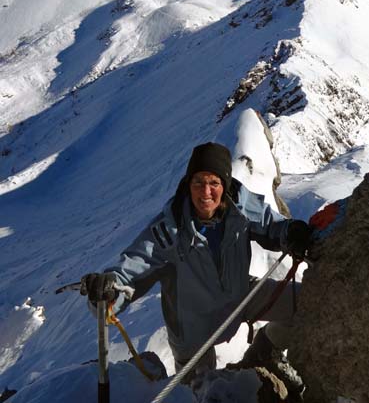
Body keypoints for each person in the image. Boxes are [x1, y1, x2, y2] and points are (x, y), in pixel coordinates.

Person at [81, 142, 312, 384]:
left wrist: (291, 231)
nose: (206, 192)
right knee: (201, 395)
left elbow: (271, 226)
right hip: (194, 331)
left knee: (307, 301)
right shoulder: (169, 231)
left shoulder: (240, 207)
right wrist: (107, 290)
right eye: (198, 182)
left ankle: (265, 352)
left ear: (225, 185)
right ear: (188, 184)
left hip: (240, 297)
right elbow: (132, 269)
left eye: (214, 183)